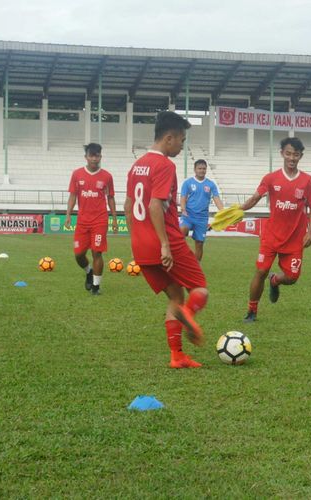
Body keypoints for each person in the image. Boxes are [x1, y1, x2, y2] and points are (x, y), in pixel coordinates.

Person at [125, 111, 209, 368]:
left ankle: (177, 356)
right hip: (167, 242)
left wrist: (137, 239)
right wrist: (163, 243)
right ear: (169, 138)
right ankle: (188, 317)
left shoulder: (136, 165)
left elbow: (129, 206)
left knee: (175, 295)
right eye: (182, 140)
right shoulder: (165, 165)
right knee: (200, 289)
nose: (183, 146)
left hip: (141, 246)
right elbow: (154, 206)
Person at [240, 137, 311, 323]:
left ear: (300, 156)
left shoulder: (307, 180)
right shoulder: (270, 178)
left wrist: (310, 232)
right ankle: (252, 311)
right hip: (271, 236)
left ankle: (275, 281)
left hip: (294, 239)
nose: (292, 157)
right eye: (288, 153)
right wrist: (238, 210)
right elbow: (254, 198)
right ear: (282, 153)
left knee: (292, 277)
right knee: (260, 271)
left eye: (296, 154)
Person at [65, 143, 118, 295]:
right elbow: (73, 196)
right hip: (82, 221)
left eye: (97, 155)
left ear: (101, 156)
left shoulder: (107, 176)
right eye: (91, 155)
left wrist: (114, 219)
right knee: (79, 254)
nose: (94, 158)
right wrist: (68, 215)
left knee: (97, 252)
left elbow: (111, 198)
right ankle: (89, 271)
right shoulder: (77, 174)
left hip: (100, 220)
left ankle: (96, 287)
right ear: (86, 157)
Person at [180, 159, 224, 261]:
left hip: (202, 219)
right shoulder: (188, 183)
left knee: (199, 244)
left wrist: (223, 212)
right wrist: (183, 209)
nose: (202, 170)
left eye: (204, 169)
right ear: (195, 169)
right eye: (199, 168)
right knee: (181, 232)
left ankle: (196, 267)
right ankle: (180, 259)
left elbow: (216, 199)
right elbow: (183, 197)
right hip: (188, 215)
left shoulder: (211, 184)